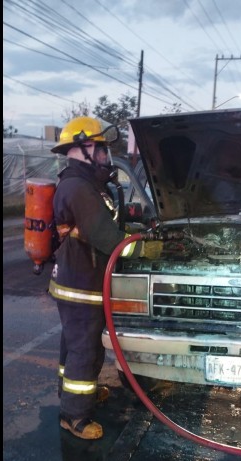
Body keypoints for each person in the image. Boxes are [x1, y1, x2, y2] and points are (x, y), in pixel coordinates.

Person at [48, 116, 162, 440]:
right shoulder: (79, 188)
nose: (104, 156)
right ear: (83, 148)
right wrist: (143, 249)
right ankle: (74, 415)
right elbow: (106, 238)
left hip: (77, 281)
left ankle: (73, 392)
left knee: (73, 345)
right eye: (100, 149)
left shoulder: (84, 184)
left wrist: (134, 228)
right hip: (81, 285)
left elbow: (105, 224)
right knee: (85, 349)